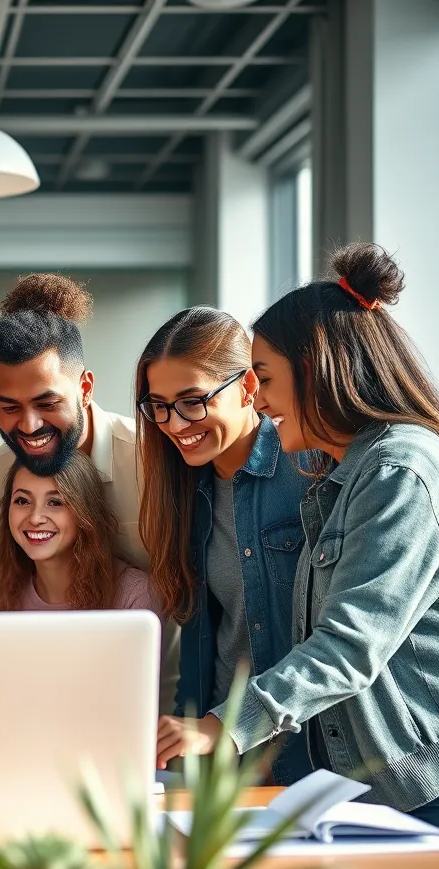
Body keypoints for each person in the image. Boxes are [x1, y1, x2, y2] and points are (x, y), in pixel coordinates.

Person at [156, 243, 439, 826]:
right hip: (354, 786)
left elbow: (350, 642)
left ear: (314, 371)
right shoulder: (339, 470)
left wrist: (224, 726)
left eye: (263, 378)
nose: (258, 400)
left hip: (416, 787)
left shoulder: (398, 469)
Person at [136, 307, 312, 784]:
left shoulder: (312, 470)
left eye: (193, 401)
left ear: (249, 389)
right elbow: (205, 646)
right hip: (229, 767)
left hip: (319, 758)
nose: (174, 423)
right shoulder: (184, 493)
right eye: (159, 405)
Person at [0, 273, 145, 569]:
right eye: (10, 407)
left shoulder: (149, 461)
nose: (29, 426)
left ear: (85, 389)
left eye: (47, 403)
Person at [0, 452, 159, 617]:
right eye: (22, 501)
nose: (35, 518)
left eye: (55, 502)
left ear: (85, 512)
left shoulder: (135, 597)